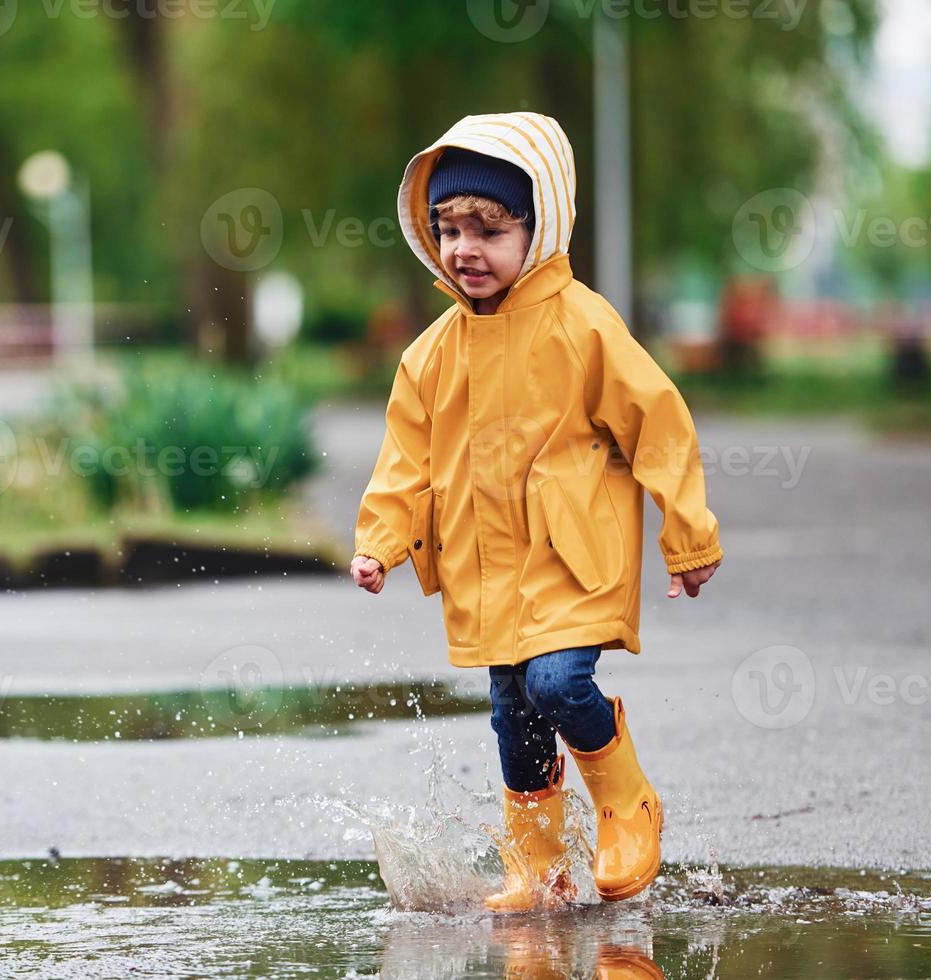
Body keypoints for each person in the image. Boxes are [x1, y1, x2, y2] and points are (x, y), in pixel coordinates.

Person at [349, 113, 723, 913]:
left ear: (539, 225)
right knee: (513, 720)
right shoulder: (430, 355)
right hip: (485, 571)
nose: (464, 249)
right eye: (449, 228)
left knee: (556, 683)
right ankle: (539, 866)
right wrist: (380, 544)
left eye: (488, 227)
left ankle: (627, 799)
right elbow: (403, 464)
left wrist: (688, 535)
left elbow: (657, 423)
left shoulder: (582, 325)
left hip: (574, 557)